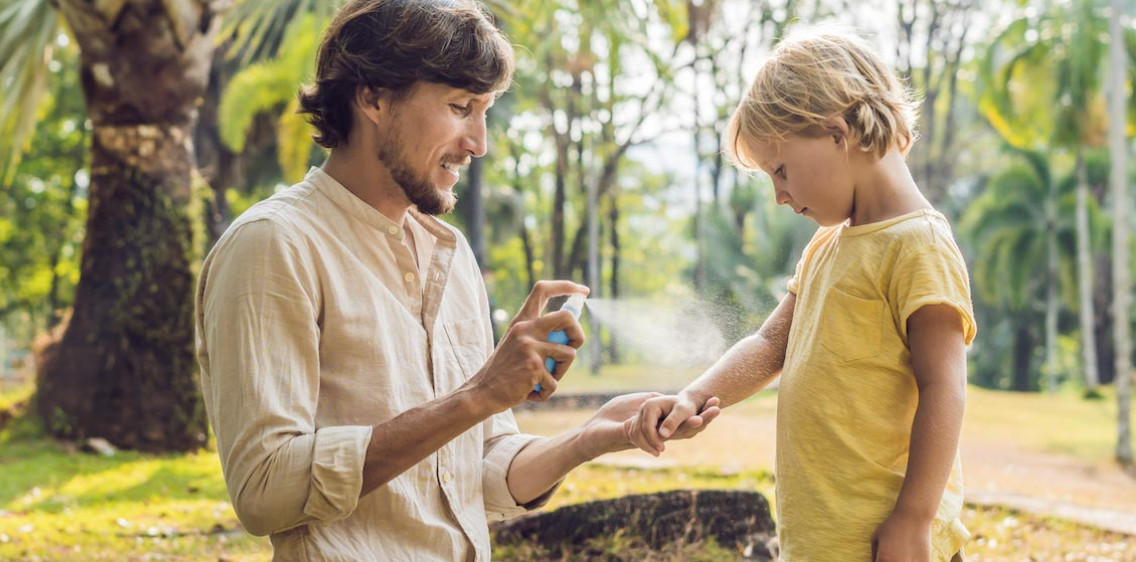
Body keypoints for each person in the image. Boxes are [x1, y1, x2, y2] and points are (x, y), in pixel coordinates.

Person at [193, 1, 720, 560]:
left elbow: (480, 472)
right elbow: (264, 490)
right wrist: (476, 396)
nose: (479, 142)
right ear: (372, 97)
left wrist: (591, 437)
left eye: (485, 111)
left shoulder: (448, 253)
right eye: (460, 107)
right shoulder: (275, 245)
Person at [629, 30, 975, 562]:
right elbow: (771, 345)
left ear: (837, 133)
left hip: (889, 542)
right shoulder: (827, 244)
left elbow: (944, 388)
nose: (780, 195)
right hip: (822, 540)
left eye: (782, 170)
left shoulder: (917, 245)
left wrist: (913, 519)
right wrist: (694, 395)